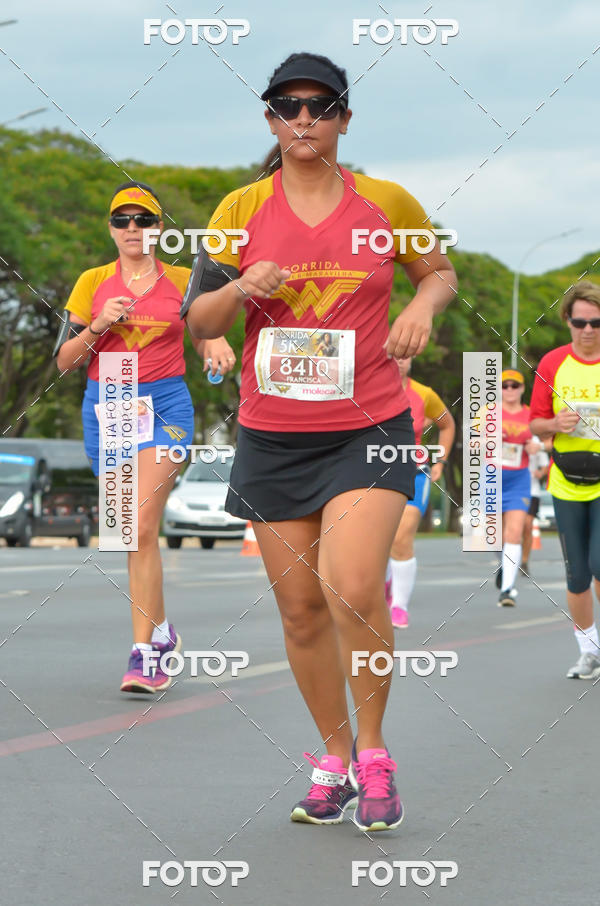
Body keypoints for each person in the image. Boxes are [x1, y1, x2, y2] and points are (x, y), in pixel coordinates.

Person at [183, 52, 456, 831]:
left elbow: (438, 272)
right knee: (301, 612)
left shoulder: (385, 200)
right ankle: (332, 760)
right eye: (288, 106)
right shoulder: (239, 209)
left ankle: (375, 755)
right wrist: (240, 287)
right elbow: (197, 321)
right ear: (269, 118)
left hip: (368, 425)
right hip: (273, 435)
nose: (304, 119)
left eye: (321, 105)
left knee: (349, 583)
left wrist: (424, 308)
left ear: (344, 117)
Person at [54, 181, 235, 693]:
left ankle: (144, 657)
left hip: (165, 405)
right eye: (123, 220)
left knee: (139, 519)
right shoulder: (92, 282)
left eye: (144, 220)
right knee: (130, 534)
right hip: (107, 402)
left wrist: (213, 342)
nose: (133, 229)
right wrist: (96, 329)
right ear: (111, 229)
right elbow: (65, 364)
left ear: (159, 228)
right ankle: (160, 634)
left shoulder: (184, 277)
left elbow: (206, 325)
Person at [530, 280, 600, 679]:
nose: (588, 330)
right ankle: (589, 651)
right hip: (567, 481)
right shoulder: (553, 363)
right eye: (580, 322)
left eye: (596, 322)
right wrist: (556, 423)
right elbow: (535, 423)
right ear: (568, 322)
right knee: (577, 574)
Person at [385, 357, 455, 628]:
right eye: (394, 355)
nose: (399, 361)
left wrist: (441, 461)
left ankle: (399, 607)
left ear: (413, 358)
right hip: (374, 475)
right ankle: (387, 582)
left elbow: (446, 425)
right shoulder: (369, 388)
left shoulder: (424, 394)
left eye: (405, 356)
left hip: (414, 473)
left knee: (402, 536)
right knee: (380, 541)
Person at [496, 369, 539, 606]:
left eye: (515, 385)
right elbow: (472, 443)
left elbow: (545, 442)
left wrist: (536, 447)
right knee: (497, 536)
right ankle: (506, 565)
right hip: (492, 479)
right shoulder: (489, 414)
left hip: (519, 480)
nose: (510, 390)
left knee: (514, 531)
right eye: (505, 385)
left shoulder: (531, 416)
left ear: (523, 388)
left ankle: (507, 590)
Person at [521, 436, 550, 576]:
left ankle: (524, 561)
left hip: (532, 491)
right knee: (511, 527)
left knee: (527, 525)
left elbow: (545, 465)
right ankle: (509, 559)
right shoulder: (507, 436)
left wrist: (541, 473)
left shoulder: (536, 441)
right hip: (512, 489)